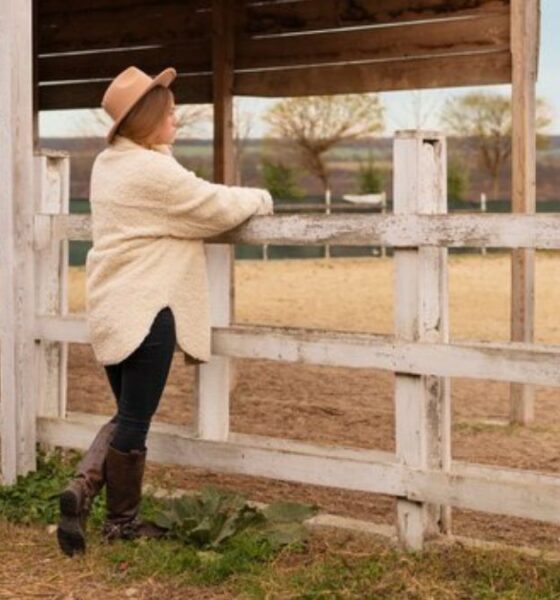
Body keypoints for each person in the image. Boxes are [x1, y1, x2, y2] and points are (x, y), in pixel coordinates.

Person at [56, 66, 273, 557]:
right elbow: (209, 204)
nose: (176, 119)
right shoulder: (151, 171)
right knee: (135, 420)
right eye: (170, 112)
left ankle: (86, 494)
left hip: (112, 306)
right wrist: (259, 197)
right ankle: (113, 515)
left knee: (126, 413)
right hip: (147, 309)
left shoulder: (112, 164)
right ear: (149, 118)